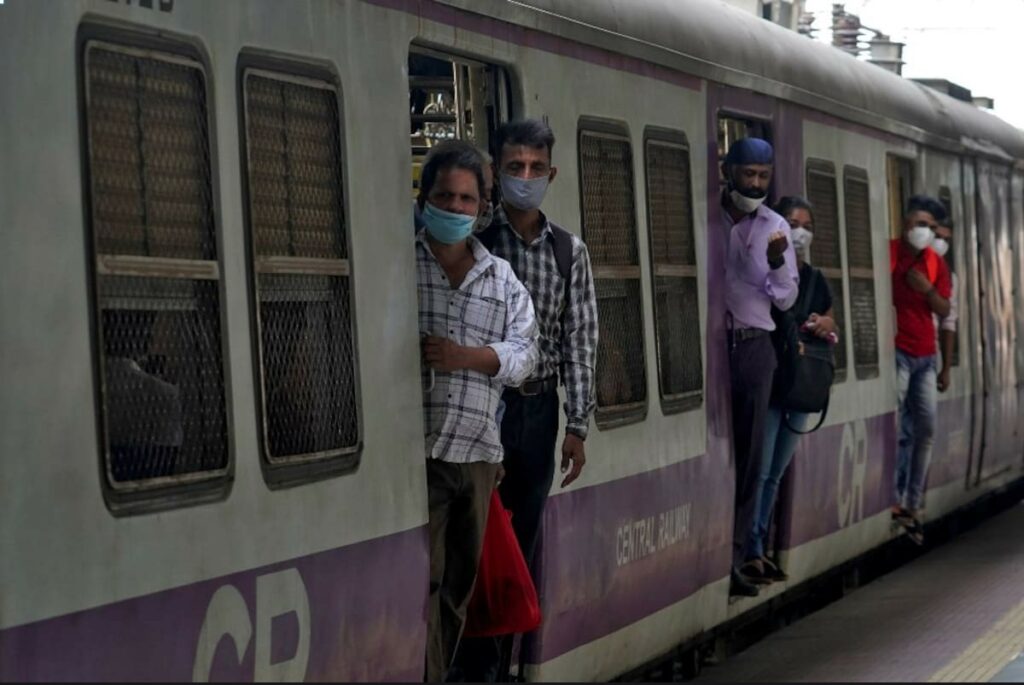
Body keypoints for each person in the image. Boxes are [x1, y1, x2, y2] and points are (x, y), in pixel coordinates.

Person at [453, 118, 599, 680]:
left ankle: (501, 668)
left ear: (552, 174)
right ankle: (468, 667)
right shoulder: (474, 241)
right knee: (474, 543)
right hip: (478, 408)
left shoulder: (568, 252)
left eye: (536, 169)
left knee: (520, 545)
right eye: (514, 167)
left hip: (537, 412)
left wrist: (578, 425)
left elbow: (579, 341)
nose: (525, 178)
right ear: (496, 172)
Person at [415, 140, 539, 683]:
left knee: (457, 590)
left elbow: (526, 356)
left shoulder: (502, 279)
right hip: (419, 455)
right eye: (445, 195)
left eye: (466, 199)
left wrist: (468, 358)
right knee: (427, 581)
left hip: (478, 457)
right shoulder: (401, 267)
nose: (455, 207)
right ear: (425, 198)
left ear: (482, 207)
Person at [720, 138, 799, 598]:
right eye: (747, 174)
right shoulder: (710, 215)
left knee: (749, 460)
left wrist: (775, 265)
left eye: (762, 177)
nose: (754, 184)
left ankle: (735, 558)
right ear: (729, 170)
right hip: (712, 346)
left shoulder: (776, 228)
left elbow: (786, 298)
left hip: (752, 349)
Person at [744, 196, 837, 583]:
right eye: (792, 222)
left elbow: (832, 318)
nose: (799, 232)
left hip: (800, 386)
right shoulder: (762, 270)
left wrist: (824, 323)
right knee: (760, 472)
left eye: (806, 224)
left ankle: (760, 545)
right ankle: (751, 549)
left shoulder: (814, 279)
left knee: (775, 473)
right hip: (772, 381)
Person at [890, 195, 952, 546]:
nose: (923, 231)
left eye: (928, 226)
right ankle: (896, 498)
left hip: (925, 355)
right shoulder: (891, 253)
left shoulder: (934, 264)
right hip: (898, 350)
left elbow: (945, 310)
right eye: (918, 224)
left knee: (925, 428)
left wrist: (926, 289)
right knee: (899, 427)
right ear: (905, 225)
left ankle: (913, 500)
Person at [931, 214, 958, 394]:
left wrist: (946, 368)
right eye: (937, 237)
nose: (941, 244)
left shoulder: (950, 278)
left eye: (946, 240)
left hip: (931, 354)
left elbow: (949, 323)